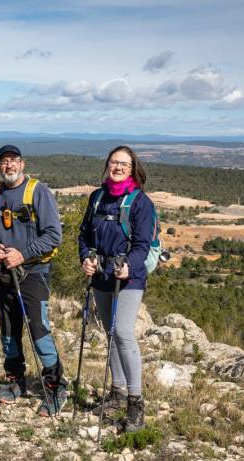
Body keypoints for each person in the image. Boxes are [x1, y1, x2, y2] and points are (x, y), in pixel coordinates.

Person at [0, 144, 66, 416]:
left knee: (38, 330)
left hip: (33, 273)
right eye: (3, 162)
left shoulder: (37, 191)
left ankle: (55, 387)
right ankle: (16, 382)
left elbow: (54, 236)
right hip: (2, 273)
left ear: (22, 164)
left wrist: (22, 254)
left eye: (13, 161)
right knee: (7, 333)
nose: (9, 166)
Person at [78, 145, 153, 432]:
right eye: (114, 162)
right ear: (107, 165)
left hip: (129, 278)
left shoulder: (140, 202)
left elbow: (143, 244)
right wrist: (85, 258)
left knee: (122, 332)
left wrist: (129, 266)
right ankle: (117, 393)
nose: (118, 167)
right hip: (101, 274)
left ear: (133, 169)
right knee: (109, 333)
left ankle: (136, 403)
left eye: (124, 164)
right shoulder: (97, 197)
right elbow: (84, 234)